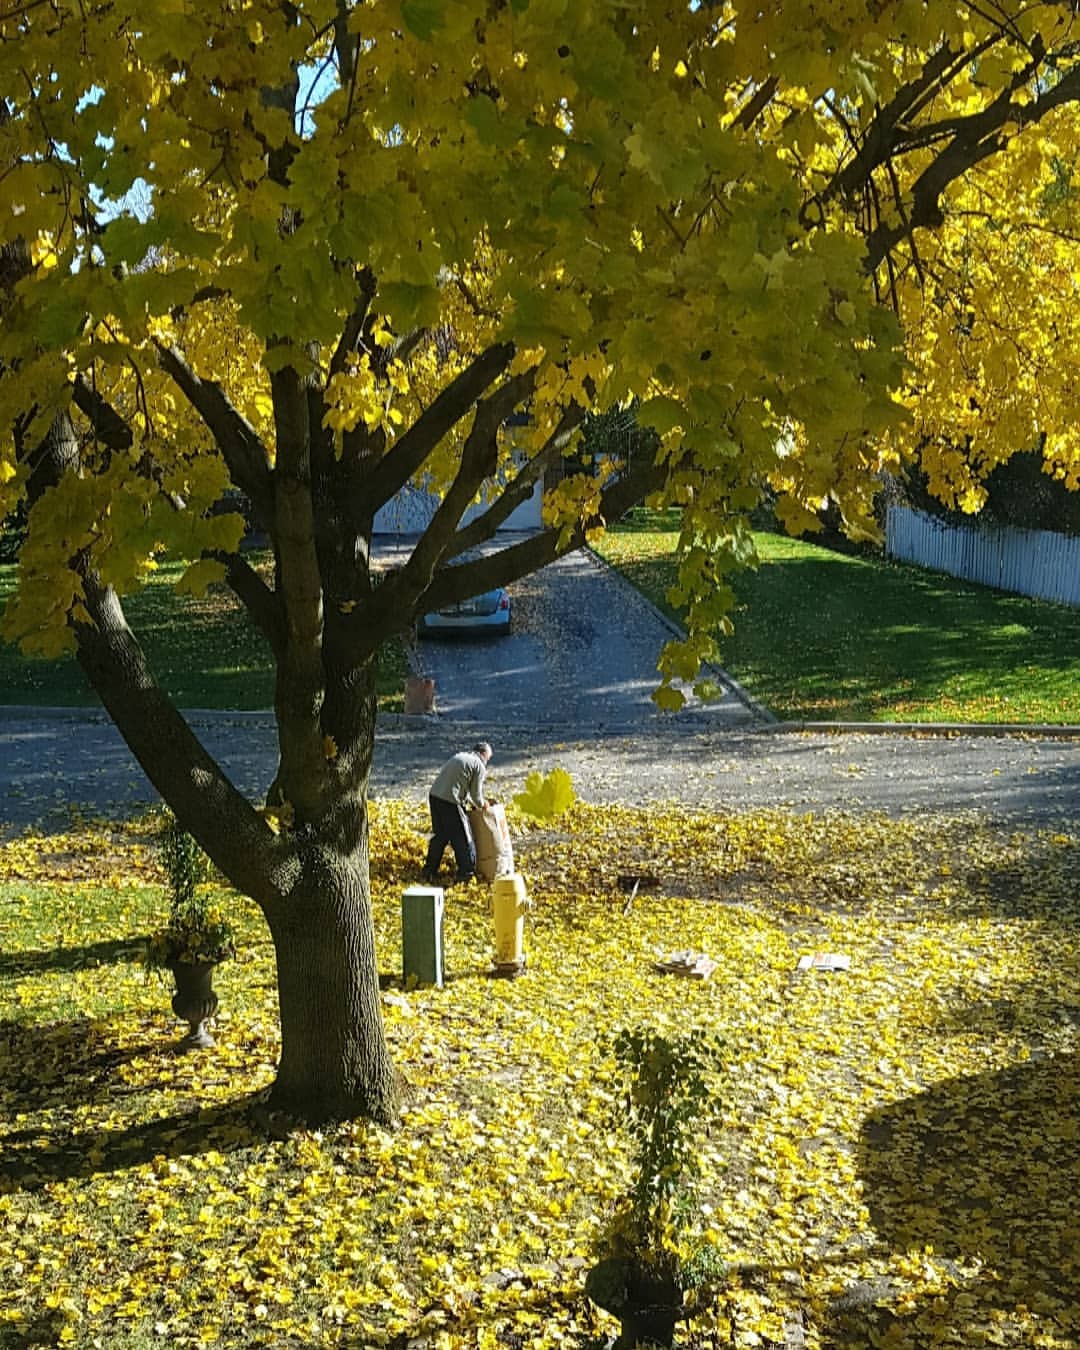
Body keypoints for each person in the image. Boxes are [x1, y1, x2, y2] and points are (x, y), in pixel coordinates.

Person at [422, 741, 492, 885]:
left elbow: (463, 788)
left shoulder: (461, 756)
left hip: (435, 796)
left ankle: (429, 870)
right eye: (488, 759)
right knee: (463, 838)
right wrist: (484, 805)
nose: (487, 763)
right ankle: (466, 874)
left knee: (440, 836)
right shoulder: (479, 765)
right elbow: (476, 795)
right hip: (450, 801)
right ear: (484, 754)